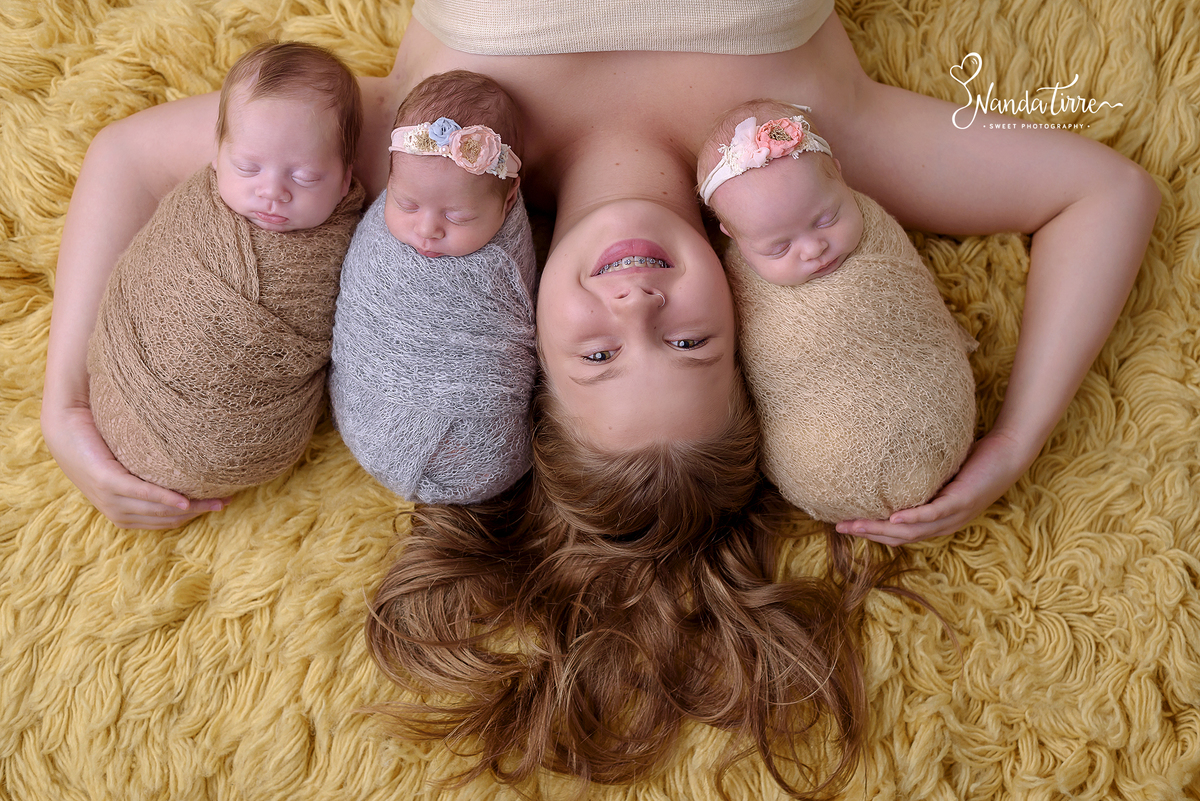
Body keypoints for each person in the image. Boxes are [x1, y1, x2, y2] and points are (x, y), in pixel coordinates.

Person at [41, 0, 1160, 791]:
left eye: (598, 360)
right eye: (689, 343)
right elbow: (1104, 194)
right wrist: (1016, 439)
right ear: (747, 332)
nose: (635, 306)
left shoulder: (425, 162)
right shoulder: (815, 161)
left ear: (529, 354)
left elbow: (130, 157)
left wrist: (64, 404)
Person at [85, 40, 364, 500]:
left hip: (237, 447)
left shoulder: (346, 243)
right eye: (247, 167)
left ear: (345, 179)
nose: (272, 191)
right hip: (119, 383)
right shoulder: (197, 208)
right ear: (216, 155)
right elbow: (145, 268)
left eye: (305, 176)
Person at [329, 70, 538, 504]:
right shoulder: (388, 224)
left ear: (509, 199)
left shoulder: (506, 255)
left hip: (472, 447)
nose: (426, 230)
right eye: (406, 203)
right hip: (369, 418)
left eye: (457, 216)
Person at [697, 100, 863, 286]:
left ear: (840, 176)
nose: (813, 250)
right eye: (780, 248)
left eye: (827, 220)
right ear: (734, 238)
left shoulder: (875, 230)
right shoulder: (742, 287)